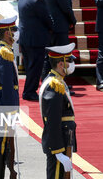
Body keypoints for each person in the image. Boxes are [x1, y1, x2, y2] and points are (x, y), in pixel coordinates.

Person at [39, 43, 77, 179]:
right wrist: (58, 152)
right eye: (69, 61)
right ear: (61, 64)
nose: (71, 64)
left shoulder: (56, 81)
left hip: (63, 141)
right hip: (59, 145)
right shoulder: (54, 86)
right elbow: (52, 120)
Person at [0, 16, 20, 178]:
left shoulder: (3, 50)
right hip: (3, 107)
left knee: (0, 145)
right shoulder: (4, 53)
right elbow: (8, 87)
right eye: (13, 30)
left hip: (1, 105)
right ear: (6, 32)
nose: (15, 33)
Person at [18, 0, 53, 101]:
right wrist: (52, 27)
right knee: (35, 67)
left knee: (30, 67)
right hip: (36, 39)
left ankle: (29, 90)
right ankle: (29, 92)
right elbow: (46, 18)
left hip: (26, 38)